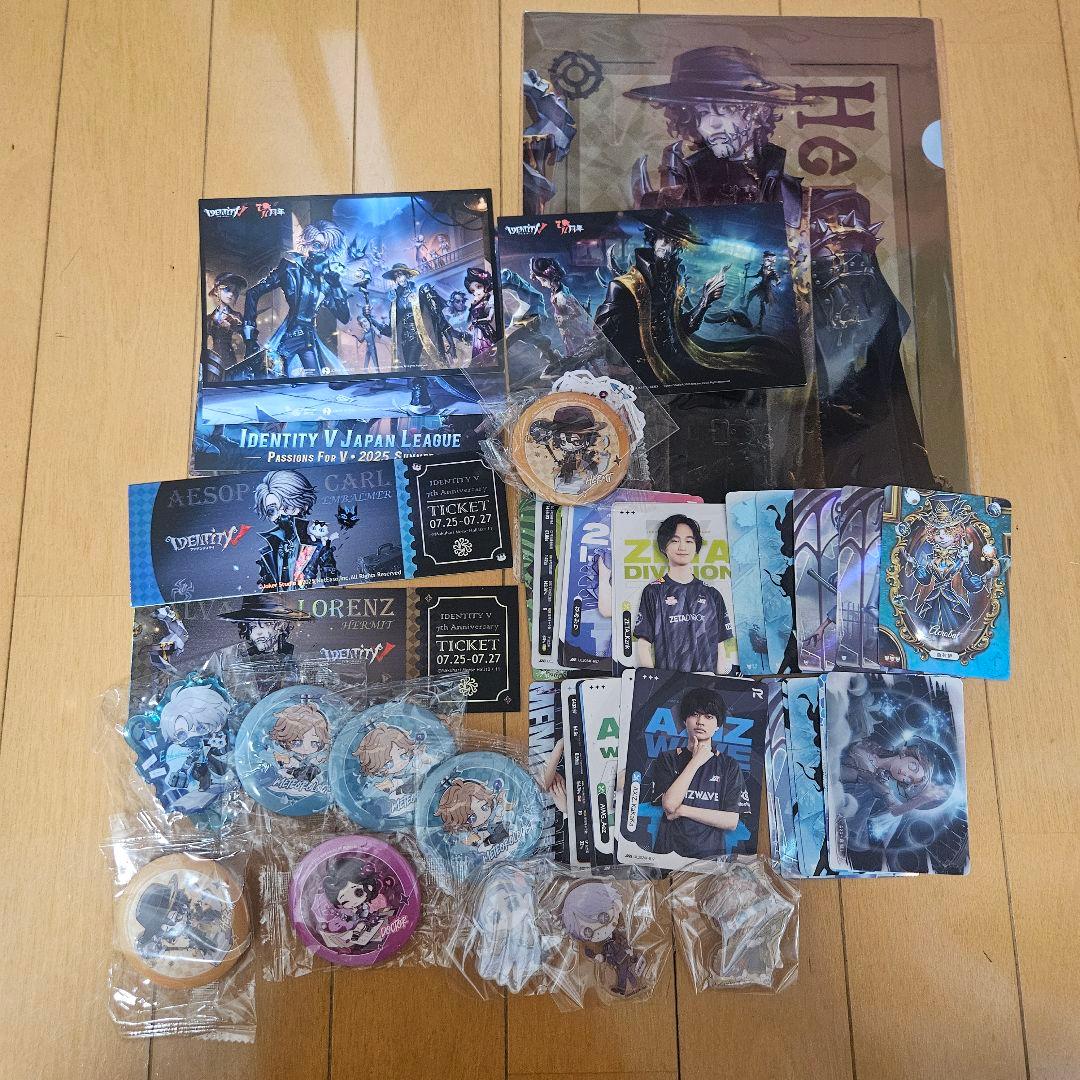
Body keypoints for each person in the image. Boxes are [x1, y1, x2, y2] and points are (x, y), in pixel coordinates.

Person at [638, 686, 747, 860]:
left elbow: (731, 821)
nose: (700, 721)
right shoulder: (668, 758)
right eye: (695, 714)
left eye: (708, 716)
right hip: (668, 855)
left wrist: (683, 810)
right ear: (684, 720)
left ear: (718, 725)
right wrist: (696, 761)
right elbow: (670, 806)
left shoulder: (729, 765)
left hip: (710, 859)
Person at [241, 221, 350, 378]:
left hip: (308, 340)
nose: (321, 253)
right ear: (307, 244)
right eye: (317, 245)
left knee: (316, 381)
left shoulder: (326, 282)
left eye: (327, 249)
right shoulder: (289, 270)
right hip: (288, 338)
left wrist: (337, 286)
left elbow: (344, 317)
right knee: (272, 376)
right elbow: (253, 293)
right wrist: (249, 339)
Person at [634, 514, 734, 674]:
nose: (682, 547)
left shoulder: (712, 594)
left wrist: (720, 681)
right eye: (674, 541)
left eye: (689, 541)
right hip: (669, 684)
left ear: (696, 547)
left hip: (707, 683)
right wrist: (655, 682)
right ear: (663, 547)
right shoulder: (653, 591)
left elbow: (719, 646)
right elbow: (643, 644)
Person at [203, 272, 249, 382]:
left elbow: (246, 340)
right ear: (216, 290)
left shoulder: (237, 317)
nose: (231, 294)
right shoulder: (209, 318)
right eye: (227, 289)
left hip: (229, 358)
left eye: (235, 292)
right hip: (212, 358)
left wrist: (234, 328)